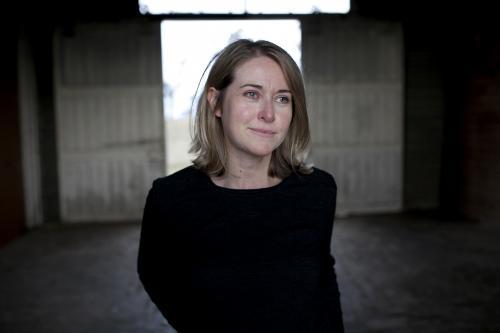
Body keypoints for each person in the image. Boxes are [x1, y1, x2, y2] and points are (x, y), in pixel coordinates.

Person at [137, 39, 344, 333]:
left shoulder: (318, 190)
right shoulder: (171, 198)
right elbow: (154, 274)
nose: (269, 114)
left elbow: (323, 280)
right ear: (216, 102)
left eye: (283, 98)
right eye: (251, 94)